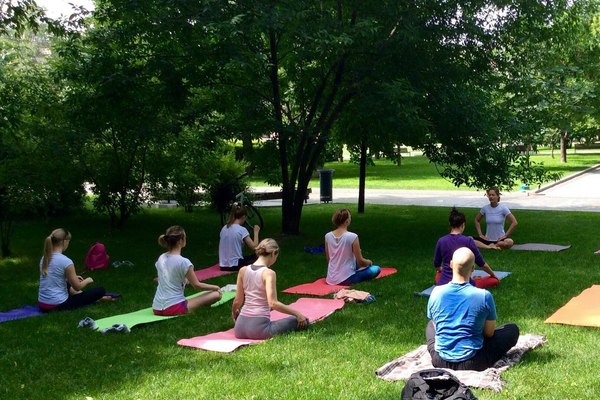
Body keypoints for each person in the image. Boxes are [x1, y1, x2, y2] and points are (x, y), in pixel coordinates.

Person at [426, 247, 520, 371]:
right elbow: (489, 333)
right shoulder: (484, 296)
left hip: (440, 360)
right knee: (512, 329)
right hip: (473, 362)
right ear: (473, 269)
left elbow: (436, 325)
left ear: (451, 264)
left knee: (430, 326)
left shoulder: (436, 292)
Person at [232, 238, 309, 339]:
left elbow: (238, 301)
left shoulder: (243, 270)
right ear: (273, 253)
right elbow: (273, 303)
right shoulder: (268, 273)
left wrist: (234, 312)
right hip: (259, 331)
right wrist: (297, 314)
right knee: (304, 321)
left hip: (239, 329)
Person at [152, 226, 221, 316]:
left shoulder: (161, 257)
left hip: (156, 308)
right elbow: (197, 285)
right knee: (216, 295)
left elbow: (163, 278)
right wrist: (216, 287)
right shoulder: (184, 262)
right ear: (181, 240)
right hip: (174, 307)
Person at [38, 228, 107, 312]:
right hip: (58, 305)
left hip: (43, 304)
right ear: (64, 241)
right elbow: (77, 287)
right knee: (100, 290)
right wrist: (88, 280)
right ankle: (95, 298)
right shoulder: (66, 261)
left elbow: (54, 277)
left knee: (68, 283)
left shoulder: (44, 258)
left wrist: (73, 277)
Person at [434, 207, 498, 288]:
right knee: (494, 280)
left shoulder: (441, 241)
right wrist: (493, 275)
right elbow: (482, 264)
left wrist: (441, 270)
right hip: (465, 284)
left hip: (444, 284)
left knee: (439, 272)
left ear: (450, 225)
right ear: (463, 225)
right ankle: (474, 280)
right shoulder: (468, 241)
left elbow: (437, 264)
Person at [325, 208, 381, 285]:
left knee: (356, 264)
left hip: (331, 278)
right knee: (376, 269)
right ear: (347, 221)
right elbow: (361, 262)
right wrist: (369, 262)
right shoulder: (352, 237)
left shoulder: (328, 236)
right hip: (346, 278)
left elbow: (329, 260)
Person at [218, 203, 260, 271]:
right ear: (243, 217)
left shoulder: (224, 228)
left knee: (248, 257)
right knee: (259, 255)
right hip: (235, 265)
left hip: (223, 266)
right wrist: (256, 232)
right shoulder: (241, 230)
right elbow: (255, 247)